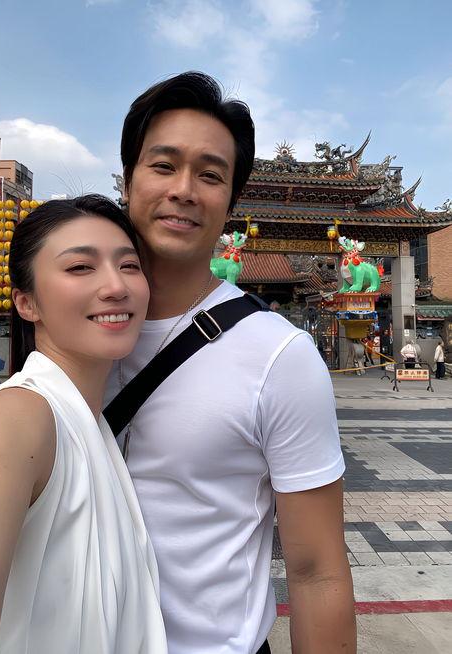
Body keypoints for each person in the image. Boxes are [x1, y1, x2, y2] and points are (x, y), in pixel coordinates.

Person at [106, 71, 356, 653]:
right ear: (127, 179)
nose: (184, 189)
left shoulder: (280, 356)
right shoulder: (69, 329)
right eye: (163, 165)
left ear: (231, 203)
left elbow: (318, 571)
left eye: (211, 174)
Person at [0, 196, 167, 654]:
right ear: (26, 302)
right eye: (80, 267)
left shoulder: (88, 426)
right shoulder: (10, 422)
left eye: (129, 266)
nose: (116, 286)